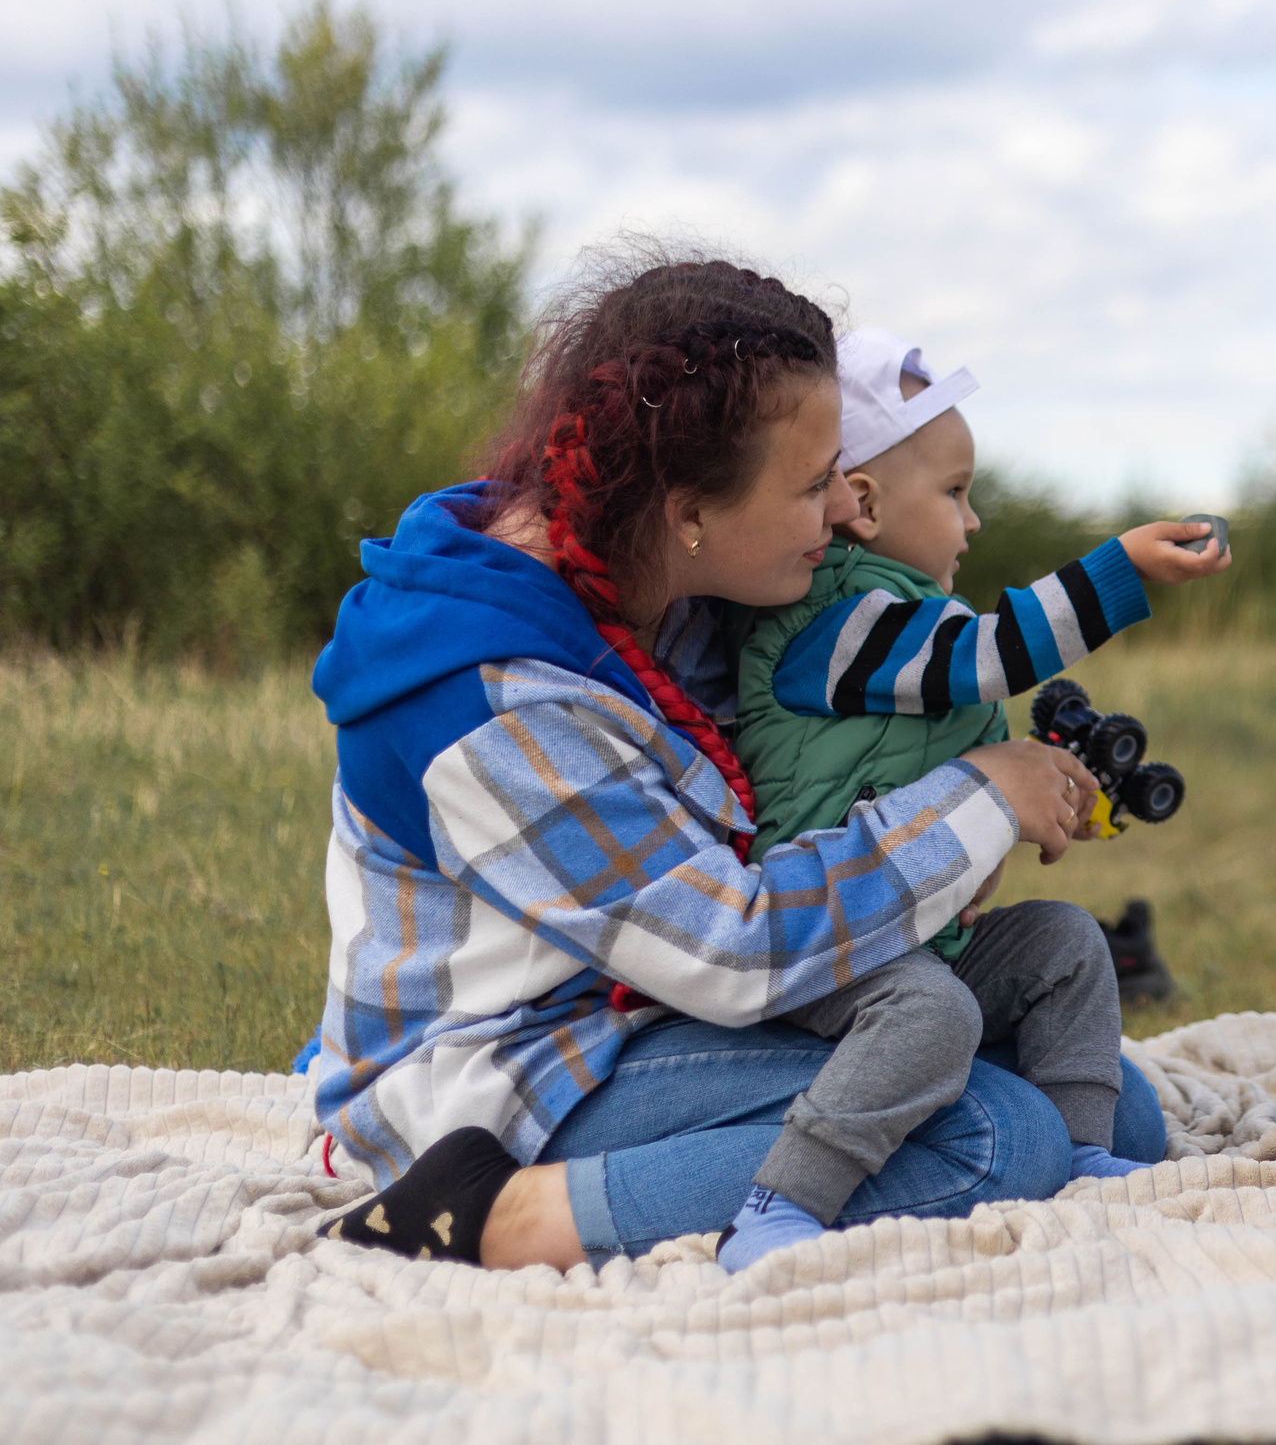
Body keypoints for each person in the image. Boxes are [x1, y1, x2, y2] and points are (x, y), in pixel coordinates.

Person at [308, 254, 1138, 1270]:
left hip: (661, 1006)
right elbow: (730, 947)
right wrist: (978, 801)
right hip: (521, 1066)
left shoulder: (675, 590)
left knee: (1109, 1099)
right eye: (811, 483)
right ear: (687, 509)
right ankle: (483, 1216)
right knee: (997, 1137)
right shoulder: (488, 701)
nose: (843, 509)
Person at [713, 327, 1229, 1271]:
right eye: (954, 493)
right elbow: (988, 653)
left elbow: (972, 750)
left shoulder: (908, 626)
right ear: (861, 503)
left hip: (921, 936)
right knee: (934, 1017)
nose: (974, 519)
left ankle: (1078, 1155)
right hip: (830, 943)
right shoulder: (839, 619)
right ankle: (779, 1203)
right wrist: (1120, 572)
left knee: (1068, 944)